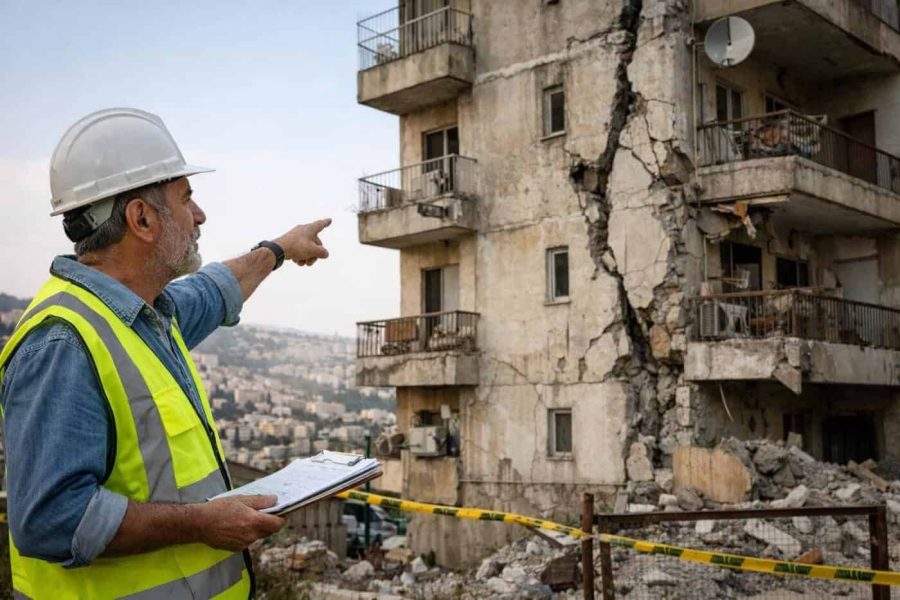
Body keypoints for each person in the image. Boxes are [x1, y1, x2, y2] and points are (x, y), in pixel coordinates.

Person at [0, 108, 332, 599]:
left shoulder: (147, 314)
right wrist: (201, 523)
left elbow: (215, 289)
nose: (199, 215)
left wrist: (280, 248)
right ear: (142, 218)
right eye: (186, 198)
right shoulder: (62, 344)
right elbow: (49, 520)